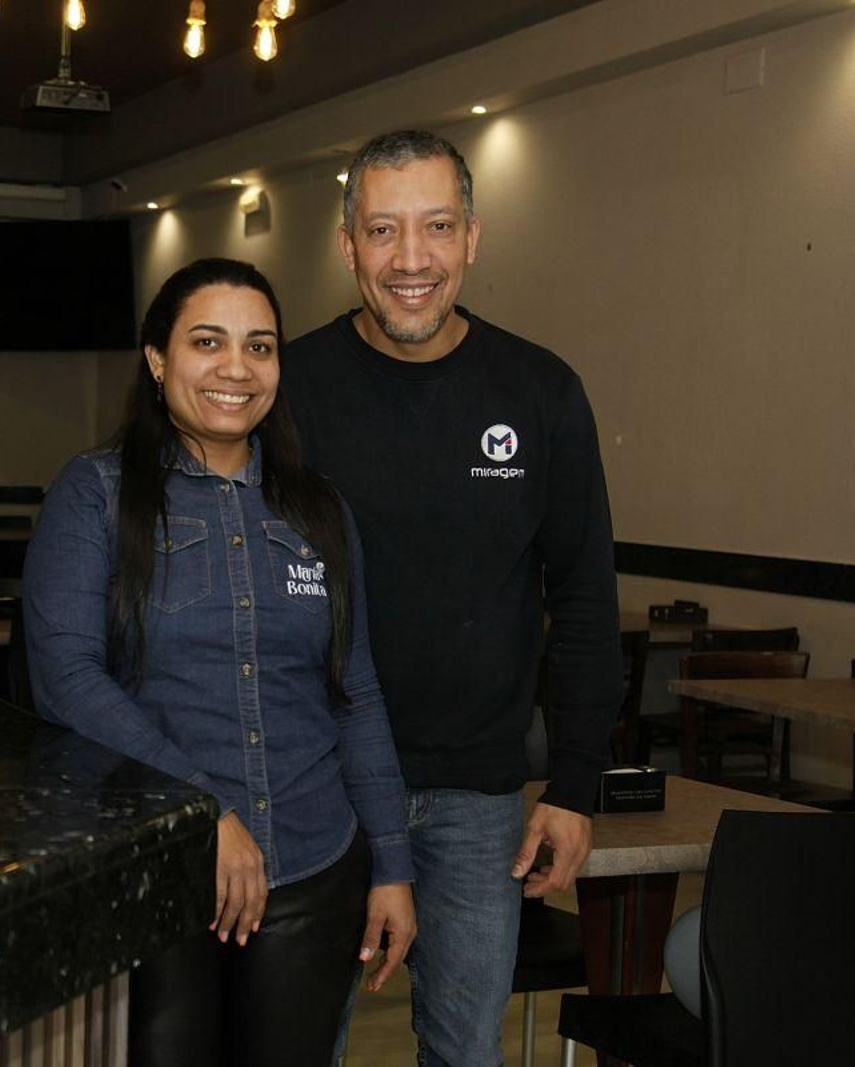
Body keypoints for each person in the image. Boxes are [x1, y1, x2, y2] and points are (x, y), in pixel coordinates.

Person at [23, 258, 417, 1067]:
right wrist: (201, 812)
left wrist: (392, 866)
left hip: (313, 870)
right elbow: (66, 679)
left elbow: (357, 695)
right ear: (158, 359)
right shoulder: (95, 495)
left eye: (261, 346)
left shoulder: (319, 510)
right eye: (208, 341)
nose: (237, 367)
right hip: (154, 875)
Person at [283, 130, 623, 1066]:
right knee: (300, 1044)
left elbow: (587, 597)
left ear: (473, 237)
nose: (411, 259)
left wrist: (575, 780)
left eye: (436, 226)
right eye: (382, 230)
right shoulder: (289, 391)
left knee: (465, 1053)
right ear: (347, 246)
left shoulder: (543, 391)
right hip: (317, 787)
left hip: (479, 797)